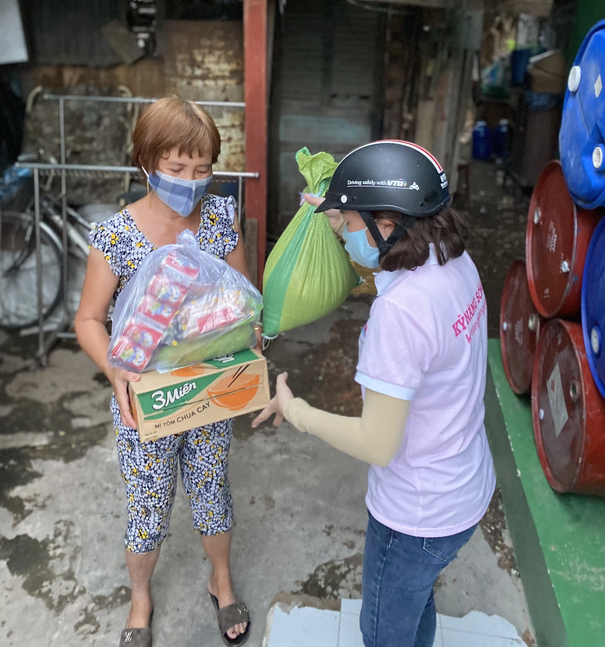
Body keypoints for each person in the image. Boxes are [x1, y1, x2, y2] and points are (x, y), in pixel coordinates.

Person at [253, 140, 496, 647]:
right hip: (465, 485)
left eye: (348, 222)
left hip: (417, 512)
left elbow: (377, 444)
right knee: (417, 601)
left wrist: (296, 410)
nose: (340, 232)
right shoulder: (453, 260)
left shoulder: (401, 312)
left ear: (388, 224)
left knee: (384, 630)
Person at [76, 97, 259, 647]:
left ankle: (221, 580)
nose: (191, 181)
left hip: (207, 390)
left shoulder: (221, 217)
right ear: (146, 163)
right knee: (147, 505)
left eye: (202, 170)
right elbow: (87, 319)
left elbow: (244, 300)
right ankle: (140, 597)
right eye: (177, 169)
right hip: (144, 400)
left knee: (211, 492)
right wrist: (118, 374)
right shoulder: (116, 236)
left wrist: (248, 341)